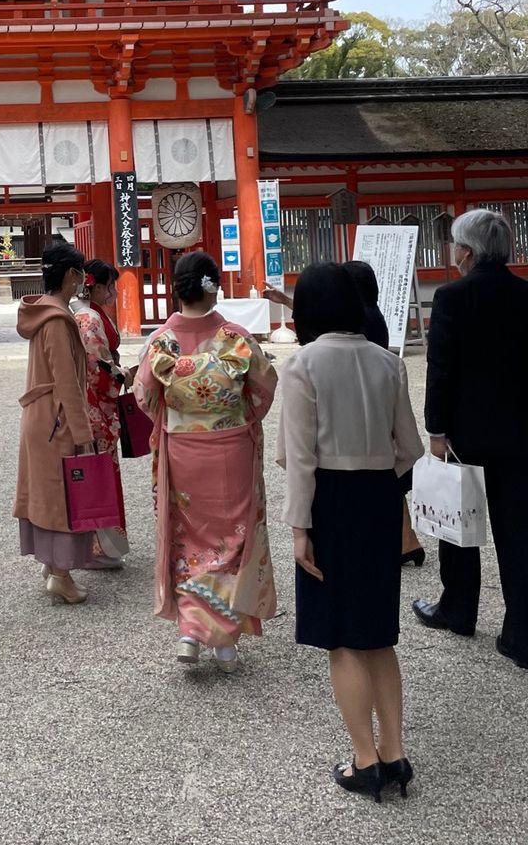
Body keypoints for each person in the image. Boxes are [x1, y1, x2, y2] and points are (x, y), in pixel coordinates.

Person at [277, 264, 424, 801]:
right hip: (379, 498)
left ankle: (364, 760)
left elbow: (299, 460)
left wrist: (299, 529)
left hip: (331, 504)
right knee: (379, 634)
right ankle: (395, 753)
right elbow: (410, 448)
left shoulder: (303, 366)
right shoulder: (388, 363)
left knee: (341, 638)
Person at [412, 208, 528, 671]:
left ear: (467, 252)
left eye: (455, 246)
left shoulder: (453, 297)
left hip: (466, 433)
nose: (453, 254)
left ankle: (458, 609)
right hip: (522, 435)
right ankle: (525, 632)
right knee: (520, 534)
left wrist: (436, 430)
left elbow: (442, 372)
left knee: (459, 525)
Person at [134, 250, 277, 670]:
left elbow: (144, 395)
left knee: (188, 539)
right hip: (230, 447)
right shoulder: (235, 336)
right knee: (231, 539)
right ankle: (225, 642)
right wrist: (238, 414)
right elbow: (264, 387)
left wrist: (177, 417)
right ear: (211, 285)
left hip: (183, 451)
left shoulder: (160, 341)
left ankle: (190, 631)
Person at [13, 240, 97, 604]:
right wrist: (83, 432)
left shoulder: (41, 314)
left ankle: (52, 566)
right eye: (79, 273)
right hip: (57, 417)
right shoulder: (59, 320)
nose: (82, 280)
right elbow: (67, 380)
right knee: (64, 495)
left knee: (46, 493)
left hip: (39, 414)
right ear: (70, 275)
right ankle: (61, 574)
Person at [342, 258, 424, 570]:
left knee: (382, 478)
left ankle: (404, 541)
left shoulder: (362, 319)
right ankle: (407, 541)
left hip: (369, 406)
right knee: (390, 478)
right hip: (382, 403)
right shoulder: (373, 314)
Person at [73, 259, 130, 568]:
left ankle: (99, 544)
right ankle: (99, 546)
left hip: (95, 403)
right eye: (111, 285)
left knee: (97, 472)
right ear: (95, 286)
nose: (115, 291)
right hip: (95, 404)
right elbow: (98, 369)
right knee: (99, 474)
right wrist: (123, 377)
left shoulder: (89, 314)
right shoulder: (89, 319)